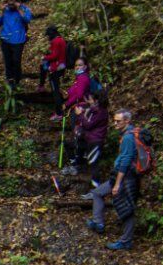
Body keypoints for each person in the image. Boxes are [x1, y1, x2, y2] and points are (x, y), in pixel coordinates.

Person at [84, 108, 139, 251]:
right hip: (121, 176)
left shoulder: (128, 137)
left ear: (127, 121)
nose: (115, 124)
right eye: (114, 121)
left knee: (127, 208)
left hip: (126, 178)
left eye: (118, 121)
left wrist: (117, 183)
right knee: (97, 193)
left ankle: (126, 241)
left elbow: (126, 161)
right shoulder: (129, 134)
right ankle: (98, 223)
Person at [63, 93, 108, 179]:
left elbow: (88, 124)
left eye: (90, 99)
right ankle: (76, 164)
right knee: (73, 145)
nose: (88, 101)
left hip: (95, 140)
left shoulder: (100, 112)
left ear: (96, 101)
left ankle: (96, 187)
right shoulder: (94, 110)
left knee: (93, 163)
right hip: (88, 138)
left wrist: (80, 114)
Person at [0, 0, 33, 89]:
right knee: (8, 61)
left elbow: (27, 19)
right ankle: (10, 80)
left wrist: (19, 8)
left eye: (13, 1)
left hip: (18, 40)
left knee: (16, 60)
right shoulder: (6, 10)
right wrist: (2, 12)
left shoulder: (23, 9)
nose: (11, 4)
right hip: (5, 40)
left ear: (16, 1)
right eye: (9, 1)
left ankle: (17, 79)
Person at [52, 57, 92, 123]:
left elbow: (79, 95)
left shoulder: (83, 78)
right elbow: (74, 90)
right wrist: (67, 93)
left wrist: (67, 104)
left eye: (80, 65)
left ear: (85, 67)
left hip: (81, 108)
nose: (77, 67)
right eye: (76, 65)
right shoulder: (79, 78)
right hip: (77, 107)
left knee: (78, 130)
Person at [39, 25, 68, 112]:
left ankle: (59, 111)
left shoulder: (55, 41)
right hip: (61, 66)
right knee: (56, 86)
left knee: (55, 89)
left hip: (56, 67)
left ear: (51, 34)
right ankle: (41, 85)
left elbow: (55, 55)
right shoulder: (61, 39)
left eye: (48, 35)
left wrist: (45, 57)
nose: (48, 37)